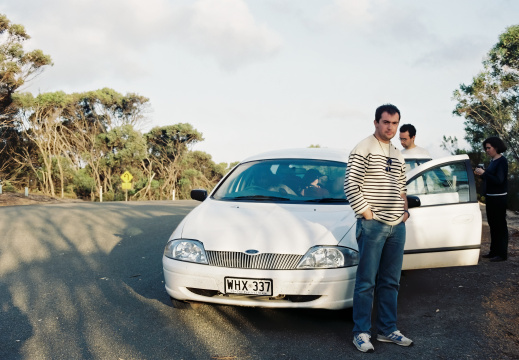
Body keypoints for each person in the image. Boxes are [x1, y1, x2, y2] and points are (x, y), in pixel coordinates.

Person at [344, 104, 413, 353]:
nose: (390, 127)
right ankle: (361, 332)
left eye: (394, 123)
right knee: (366, 282)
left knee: (391, 282)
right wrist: (367, 213)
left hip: (397, 226)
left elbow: (402, 188)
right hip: (373, 225)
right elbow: (350, 184)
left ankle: (387, 330)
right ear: (376, 122)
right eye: (386, 122)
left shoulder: (397, 153)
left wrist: (404, 212)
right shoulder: (363, 148)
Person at [474, 137, 509, 262]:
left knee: (500, 226)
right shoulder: (493, 161)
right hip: (491, 198)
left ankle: (502, 254)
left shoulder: (502, 161)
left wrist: (484, 174)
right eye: (486, 148)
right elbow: (490, 179)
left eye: (489, 148)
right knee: (493, 225)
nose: (487, 150)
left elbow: (499, 180)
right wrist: (482, 175)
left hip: (499, 198)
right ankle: (494, 252)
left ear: (496, 147)